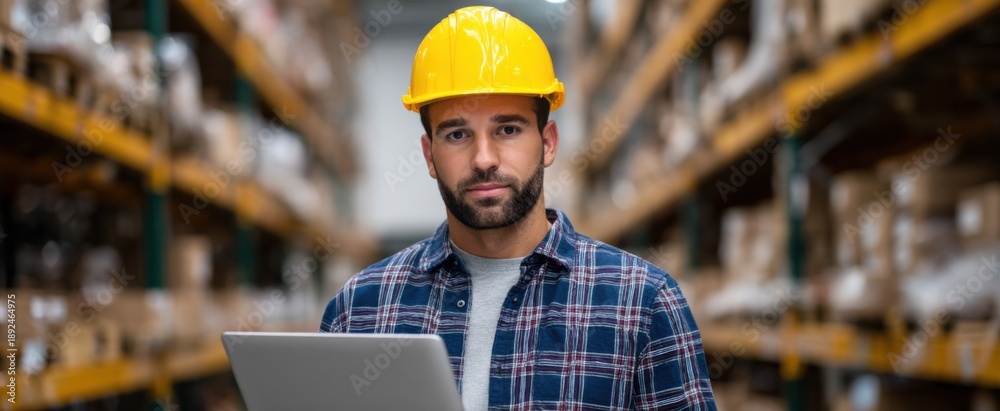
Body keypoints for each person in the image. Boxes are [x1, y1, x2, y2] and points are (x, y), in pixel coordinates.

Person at [320, 6, 716, 410]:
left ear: (547, 142)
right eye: (457, 134)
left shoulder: (642, 304)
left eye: (507, 130)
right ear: (429, 154)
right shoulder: (360, 310)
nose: (484, 158)